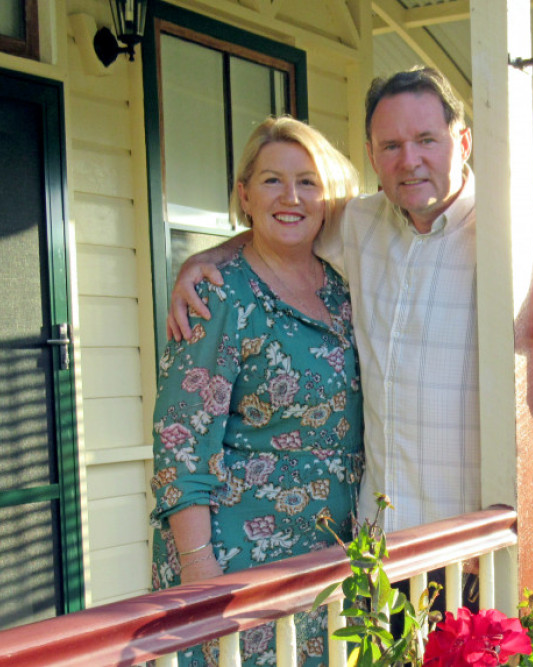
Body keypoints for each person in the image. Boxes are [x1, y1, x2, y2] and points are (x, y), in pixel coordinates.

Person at [167, 67, 533, 535]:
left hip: (469, 538)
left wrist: (512, 507)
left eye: (426, 140)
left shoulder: (522, 234)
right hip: (376, 543)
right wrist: (201, 259)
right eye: (391, 146)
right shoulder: (358, 223)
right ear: (372, 155)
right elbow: (284, 222)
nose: (409, 160)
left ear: (463, 143)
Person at [150, 116, 364, 666]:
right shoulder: (219, 295)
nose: (291, 196)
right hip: (237, 563)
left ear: (327, 197)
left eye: (307, 181)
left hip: (329, 563)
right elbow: (182, 445)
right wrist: (201, 574)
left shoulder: (343, 288)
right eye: (272, 180)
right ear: (244, 195)